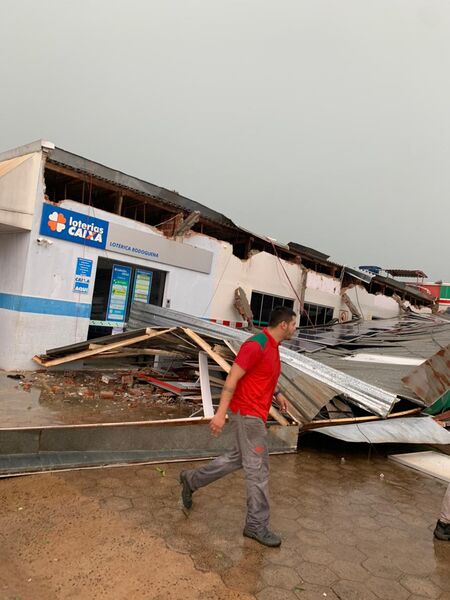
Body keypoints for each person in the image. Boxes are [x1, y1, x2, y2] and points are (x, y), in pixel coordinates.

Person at [179, 306, 297, 548]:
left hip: (255, 414)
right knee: (258, 471)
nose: (296, 328)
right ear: (284, 325)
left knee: (236, 459)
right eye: (294, 324)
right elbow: (232, 379)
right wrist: (220, 414)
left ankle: (191, 480)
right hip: (247, 415)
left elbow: (263, 375)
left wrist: (278, 393)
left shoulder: (273, 348)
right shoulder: (256, 345)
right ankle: (256, 525)